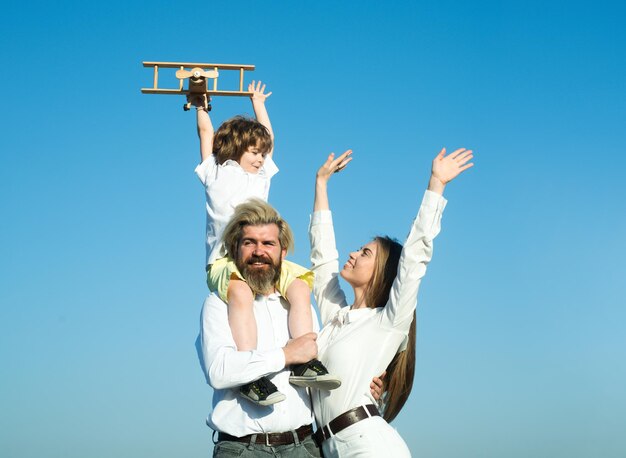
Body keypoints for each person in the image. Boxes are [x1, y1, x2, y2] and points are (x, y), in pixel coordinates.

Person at [308, 147, 474, 457]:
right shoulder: (336, 320)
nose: (353, 254)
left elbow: (414, 259)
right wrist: (321, 185)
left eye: (365, 253)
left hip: (367, 445)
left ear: (383, 271)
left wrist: (436, 185)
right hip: (329, 449)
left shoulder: (388, 322)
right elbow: (322, 261)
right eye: (359, 248)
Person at [190, 81, 339, 406]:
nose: (261, 158)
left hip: (264, 258)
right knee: (240, 292)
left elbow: (268, 139)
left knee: (300, 287)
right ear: (235, 148)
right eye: (254, 152)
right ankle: (253, 376)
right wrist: (201, 105)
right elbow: (205, 134)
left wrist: (259, 103)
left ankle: (304, 363)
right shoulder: (216, 171)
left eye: (262, 153)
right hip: (225, 263)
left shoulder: (261, 177)